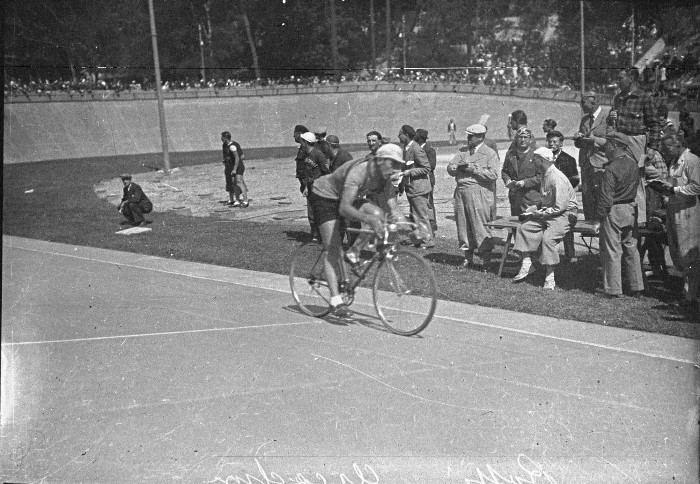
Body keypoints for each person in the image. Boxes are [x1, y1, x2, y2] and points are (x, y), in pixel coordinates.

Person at [309, 144, 407, 313]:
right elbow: (344, 209)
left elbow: (393, 206)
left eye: (399, 165)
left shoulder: (385, 177)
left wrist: (408, 225)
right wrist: (367, 219)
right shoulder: (360, 171)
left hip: (349, 197)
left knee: (379, 215)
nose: (396, 169)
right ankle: (336, 300)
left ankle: (354, 252)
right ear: (381, 160)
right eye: (394, 164)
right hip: (325, 196)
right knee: (333, 249)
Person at [511, 148, 578, 290]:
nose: (533, 162)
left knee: (549, 238)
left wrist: (540, 214)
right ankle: (527, 263)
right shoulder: (545, 175)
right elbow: (546, 199)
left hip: (564, 214)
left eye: (535, 159)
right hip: (550, 212)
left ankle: (550, 276)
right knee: (524, 227)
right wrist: (535, 208)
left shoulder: (556, 177)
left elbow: (560, 206)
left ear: (542, 161)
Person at [607, 67, 662, 226]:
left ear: (631, 79)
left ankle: (640, 221)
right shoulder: (618, 98)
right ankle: (623, 219)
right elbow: (612, 124)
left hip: (636, 141)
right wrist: (611, 119)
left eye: (621, 78)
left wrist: (652, 148)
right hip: (619, 140)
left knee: (637, 180)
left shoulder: (645, 98)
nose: (618, 82)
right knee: (619, 177)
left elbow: (655, 125)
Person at [653, 132, 700, 308]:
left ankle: (691, 294)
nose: (665, 150)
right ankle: (685, 289)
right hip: (673, 209)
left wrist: (675, 190)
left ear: (679, 144)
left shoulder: (692, 161)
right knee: (677, 251)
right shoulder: (674, 162)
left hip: (687, 211)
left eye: (668, 147)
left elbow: (696, 186)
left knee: (688, 252)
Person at [595, 133, 644, 298]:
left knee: (612, 250)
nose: (606, 148)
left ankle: (613, 289)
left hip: (613, 210)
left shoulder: (611, 168)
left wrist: (600, 215)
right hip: (630, 208)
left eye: (607, 145)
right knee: (631, 248)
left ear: (614, 145)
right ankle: (637, 286)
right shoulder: (633, 164)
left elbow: (606, 196)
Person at [447, 124, 500, 269]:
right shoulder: (462, 151)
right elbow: (450, 167)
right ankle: (467, 258)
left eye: (471, 136)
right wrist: (455, 168)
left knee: (480, 226)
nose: (468, 138)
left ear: (481, 137)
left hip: (479, 192)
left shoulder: (489, 153)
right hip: (461, 191)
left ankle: (486, 260)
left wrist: (474, 170)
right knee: (463, 226)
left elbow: (494, 174)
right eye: (468, 136)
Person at [398, 124, 435, 248]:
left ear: (407, 135)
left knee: (422, 216)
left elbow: (426, 168)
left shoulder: (416, 149)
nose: (398, 136)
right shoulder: (407, 148)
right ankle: (421, 239)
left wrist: (410, 172)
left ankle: (428, 241)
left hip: (419, 188)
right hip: (412, 189)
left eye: (400, 134)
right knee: (415, 216)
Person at [574, 91, 609, 221]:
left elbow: (611, 141)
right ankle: (589, 224)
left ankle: (602, 224)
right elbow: (580, 144)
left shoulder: (607, 117)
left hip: (600, 162)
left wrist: (594, 140)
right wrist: (578, 139)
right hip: (585, 163)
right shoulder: (585, 119)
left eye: (583, 103)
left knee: (600, 193)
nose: (581, 106)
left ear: (593, 102)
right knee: (587, 195)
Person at [547, 130, 579, 261]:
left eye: (555, 142)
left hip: (564, 198)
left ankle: (570, 254)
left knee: (567, 227)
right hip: (548, 198)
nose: (551, 144)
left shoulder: (568, 159)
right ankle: (548, 255)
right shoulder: (543, 158)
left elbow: (575, 179)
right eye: (549, 141)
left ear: (561, 143)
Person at [299, 131, 331, 240]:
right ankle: (315, 235)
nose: (301, 143)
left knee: (320, 212)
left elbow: (327, 172)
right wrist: (306, 187)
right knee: (311, 212)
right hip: (311, 187)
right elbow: (307, 172)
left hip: (319, 188)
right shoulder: (305, 155)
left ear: (306, 142)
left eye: (302, 141)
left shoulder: (318, 155)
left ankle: (322, 235)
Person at [502, 127, 541, 216]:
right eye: (520, 137)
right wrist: (507, 180)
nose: (522, 140)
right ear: (516, 139)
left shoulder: (537, 155)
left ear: (530, 140)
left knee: (530, 224)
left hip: (531, 198)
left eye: (525, 137)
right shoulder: (510, 154)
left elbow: (541, 176)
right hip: (515, 198)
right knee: (515, 224)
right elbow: (504, 171)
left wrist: (525, 182)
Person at [415, 128, 438, 232]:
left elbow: (431, 166)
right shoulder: (418, 148)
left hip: (427, 180)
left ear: (419, 138)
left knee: (428, 202)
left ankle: (432, 224)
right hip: (420, 180)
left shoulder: (429, 150)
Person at [221, 131, 249, 207]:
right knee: (235, 183)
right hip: (234, 166)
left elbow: (237, 158)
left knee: (239, 182)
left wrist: (234, 169)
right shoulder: (226, 145)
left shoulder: (232, 146)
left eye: (222, 137)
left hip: (238, 166)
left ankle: (245, 201)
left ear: (225, 138)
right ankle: (237, 200)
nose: (221, 138)